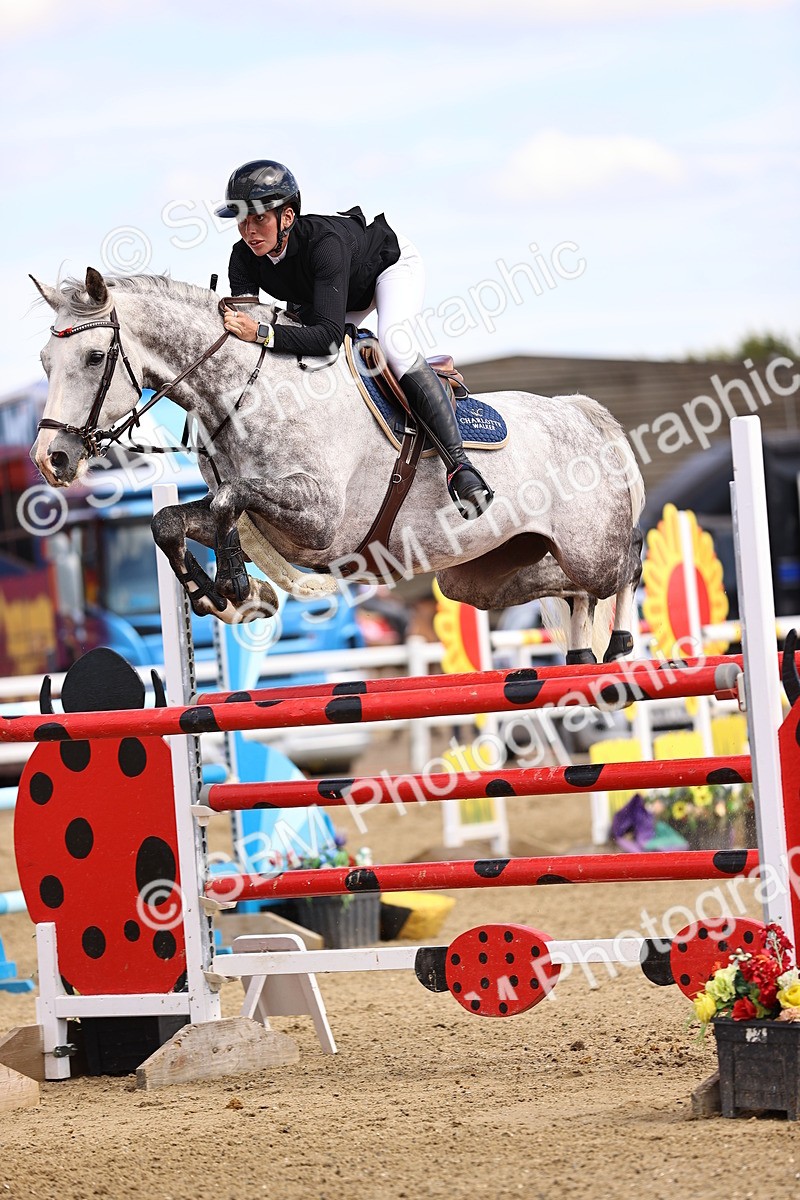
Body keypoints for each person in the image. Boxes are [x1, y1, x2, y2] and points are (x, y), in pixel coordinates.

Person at [216, 159, 492, 519]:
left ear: (286, 217)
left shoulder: (323, 244)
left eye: (259, 219)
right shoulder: (242, 256)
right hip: (330, 293)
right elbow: (250, 329)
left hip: (385, 269)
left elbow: (327, 337)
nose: (249, 231)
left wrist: (263, 332)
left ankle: (461, 467)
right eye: (242, 220)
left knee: (394, 344)